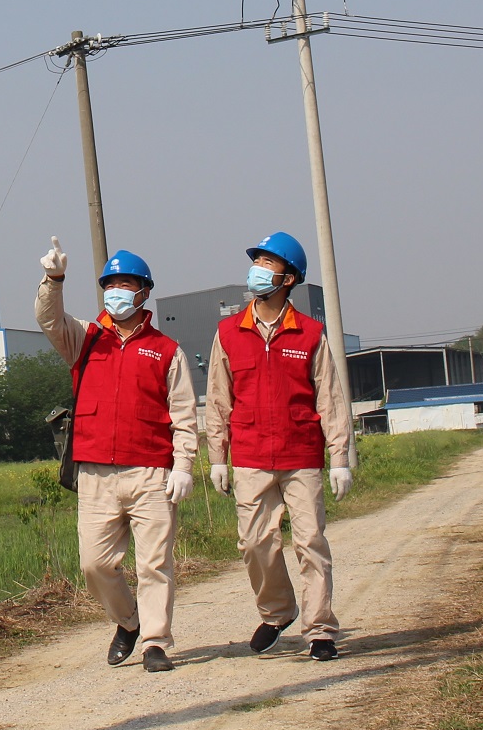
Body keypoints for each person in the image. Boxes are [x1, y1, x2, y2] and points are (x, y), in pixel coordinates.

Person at [36, 236, 198, 673]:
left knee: (154, 564)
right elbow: (48, 319)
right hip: (96, 476)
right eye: (111, 284)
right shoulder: (86, 339)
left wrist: (183, 465)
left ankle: (156, 643)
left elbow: (184, 415)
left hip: (151, 474)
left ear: (144, 292)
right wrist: (54, 280)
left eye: (127, 284)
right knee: (94, 565)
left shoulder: (167, 351)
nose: (117, 291)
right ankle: (129, 621)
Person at [206, 230, 356, 663]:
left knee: (310, 542)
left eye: (269, 264)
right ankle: (278, 612)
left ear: (289, 279)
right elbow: (218, 397)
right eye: (258, 262)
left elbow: (330, 397)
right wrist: (218, 456)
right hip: (251, 455)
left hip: (301, 455)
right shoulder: (229, 332)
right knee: (255, 544)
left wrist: (340, 457)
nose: (258, 270)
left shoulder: (309, 333)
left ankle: (321, 629)